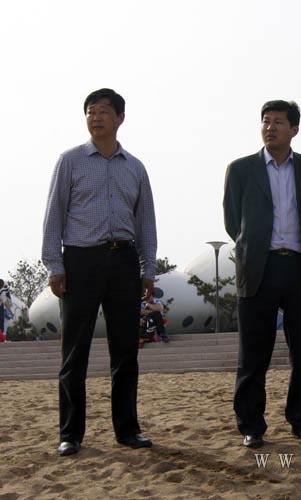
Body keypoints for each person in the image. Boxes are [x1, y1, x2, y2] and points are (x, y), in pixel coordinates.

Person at [42, 88, 157, 457]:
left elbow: (145, 222)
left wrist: (148, 269)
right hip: (81, 262)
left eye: (104, 111)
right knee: (74, 352)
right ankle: (70, 434)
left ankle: (128, 429)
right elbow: (54, 215)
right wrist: (55, 266)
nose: (96, 117)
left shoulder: (135, 167)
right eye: (91, 111)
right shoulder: (70, 161)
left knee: (125, 351)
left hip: (124, 261)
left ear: (120, 118)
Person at [223, 100, 301, 449]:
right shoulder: (240, 169)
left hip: (300, 267)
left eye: (278, 122)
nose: (270, 127)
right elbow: (232, 220)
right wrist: (253, 245)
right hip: (258, 268)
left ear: (294, 129)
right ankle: (251, 426)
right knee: (253, 356)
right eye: (266, 121)